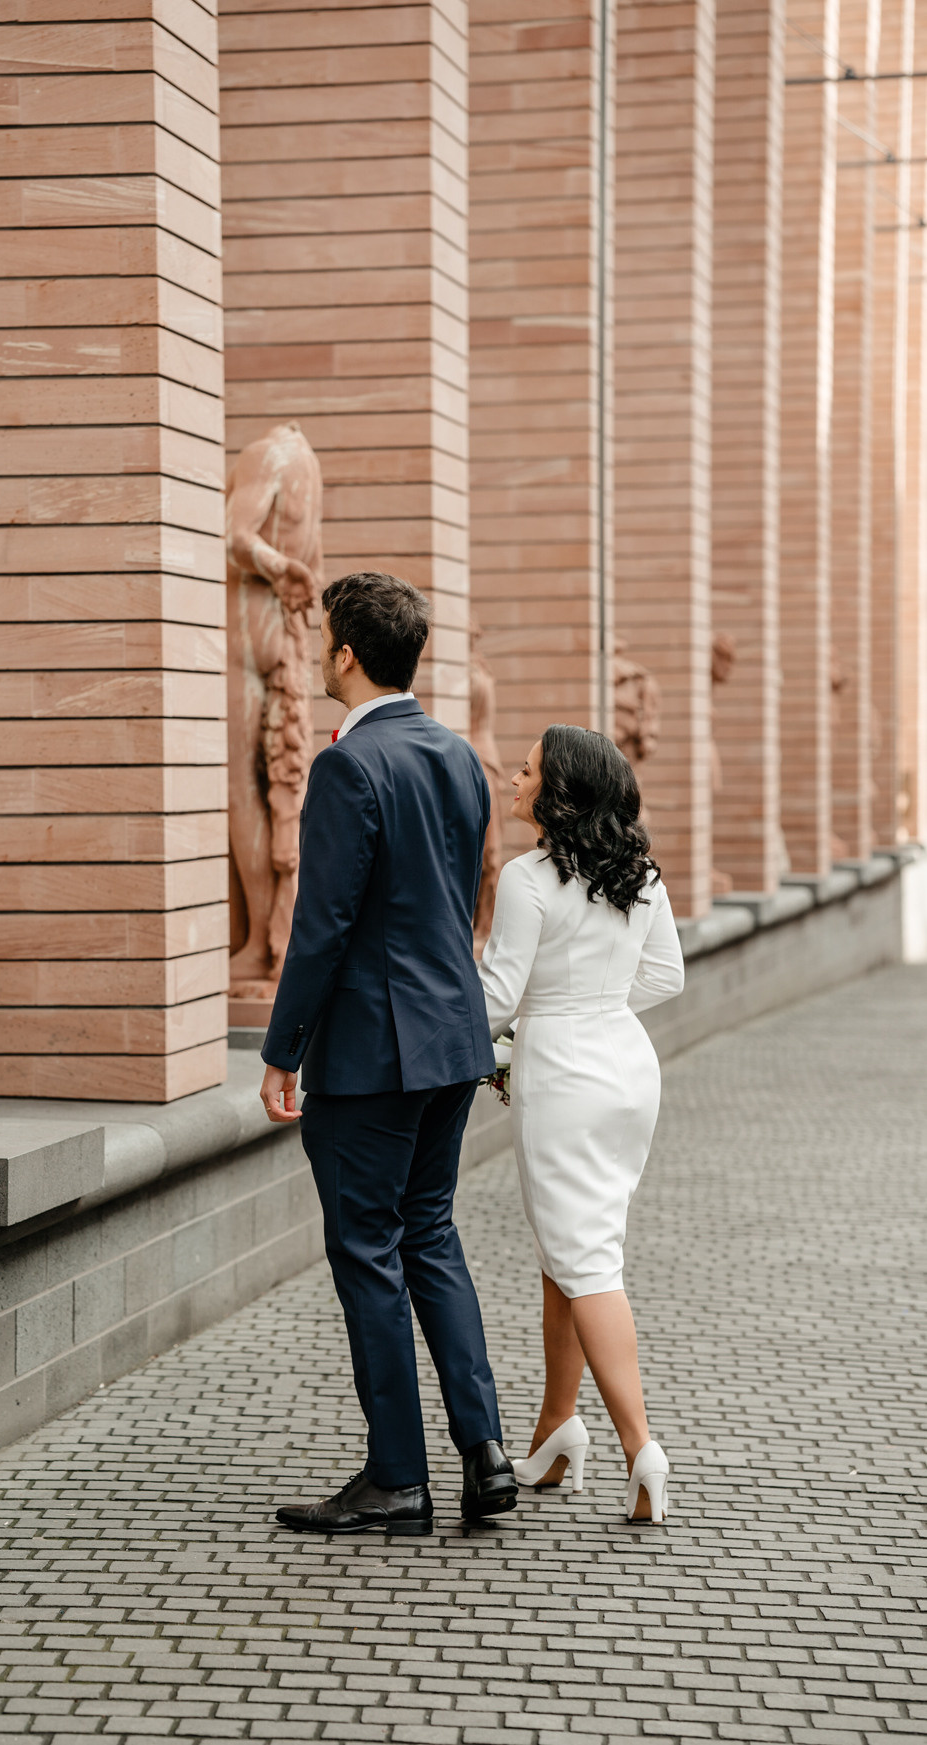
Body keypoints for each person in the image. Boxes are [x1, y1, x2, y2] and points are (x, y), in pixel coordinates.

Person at [260, 571, 515, 1535]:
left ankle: (398, 1477)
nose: (316, 652)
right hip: (453, 1040)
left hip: (374, 1053)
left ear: (347, 654)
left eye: (323, 638)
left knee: (368, 1249)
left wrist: (282, 1048)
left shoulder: (348, 766)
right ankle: (485, 1454)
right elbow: (461, 893)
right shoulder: (456, 755)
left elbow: (319, 924)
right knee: (430, 1235)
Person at [478, 725, 684, 1524]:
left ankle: (640, 1447)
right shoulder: (640, 870)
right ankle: (555, 1427)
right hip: (626, 1067)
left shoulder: (526, 878)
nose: (514, 777)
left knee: (587, 1258)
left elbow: (498, 996)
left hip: (562, 1074)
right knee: (564, 1248)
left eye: (527, 769)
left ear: (558, 791)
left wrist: (469, 1039)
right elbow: (664, 975)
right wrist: (593, 1005)